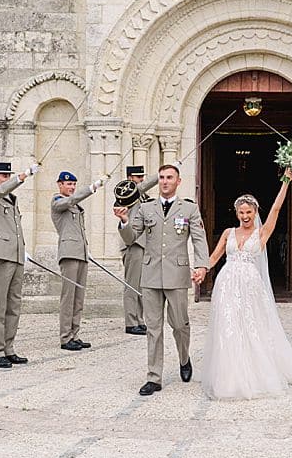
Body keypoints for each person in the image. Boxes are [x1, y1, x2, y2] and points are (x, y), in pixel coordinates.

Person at [199, 169, 292, 399]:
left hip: (251, 286)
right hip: (227, 284)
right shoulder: (228, 233)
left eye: (249, 211)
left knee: (252, 326)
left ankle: (256, 373)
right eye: (241, 212)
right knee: (229, 328)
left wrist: (286, 182)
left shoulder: (262, 233)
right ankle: (229, 377)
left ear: (255, 212)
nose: (245, 215)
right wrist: (201, 270)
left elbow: (276, 208)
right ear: (236, 213)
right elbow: (214, 257)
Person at [116, 164, 210, 396]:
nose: (165, 181)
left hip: (177, 275)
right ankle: (154, 377)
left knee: (179, 325)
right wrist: (125, 222)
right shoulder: (146, 208)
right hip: (150, 276)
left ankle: (184, 358)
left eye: (169, 177)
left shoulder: (189, 209)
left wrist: (202, 265)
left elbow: (199, 238)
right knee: (154, 329)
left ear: (178, 181)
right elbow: (131, 238)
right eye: (161, 178)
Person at [0, 160, 35, 368]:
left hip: (17, 254)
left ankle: (9, 347)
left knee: (14, 304)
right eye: (4, 176)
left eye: (8, 176)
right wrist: (20, 178)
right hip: (1, 255)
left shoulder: (11, 199)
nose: (6, 179)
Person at [50, 170, 106, 350]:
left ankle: (74, 333)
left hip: (80, 253)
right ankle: (65, 337)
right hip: (69, 254)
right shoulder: (58, 201)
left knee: (78, 297)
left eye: (74, 184)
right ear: (60, 184)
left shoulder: (75, 207)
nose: (72, 187)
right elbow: (69, 201)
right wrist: (91, 188)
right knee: (68, 297)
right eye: (68, 184)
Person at [115, 166, 158, 336]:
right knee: (131, 285)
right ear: (130, 178)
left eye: (142, 176)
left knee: (141, 286)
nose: (141, 179)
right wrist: (165, 170)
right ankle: (130, 322)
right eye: (137, 177)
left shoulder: (141, 196)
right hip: (132, 243)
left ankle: (139, 320)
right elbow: (141, 187)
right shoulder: (126, 192)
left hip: (142, 244)